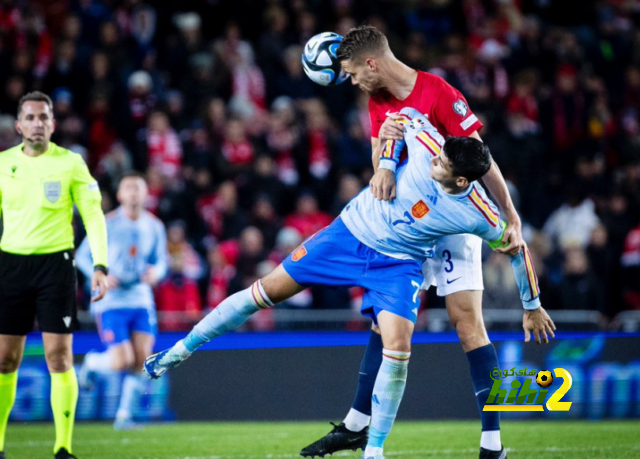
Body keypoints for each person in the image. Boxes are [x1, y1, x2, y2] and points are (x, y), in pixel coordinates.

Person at [143, 108, 555, 459]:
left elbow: (518, 249)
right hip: (349, 234)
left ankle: (374, 449)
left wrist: (531, 304)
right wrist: (389, 164)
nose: (432, 163)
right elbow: (401, 118)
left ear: (462, 182)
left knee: (399, 348)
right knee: (263, 292)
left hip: (399, 265)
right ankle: (179, 351)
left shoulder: (477, 215)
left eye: (442, 166)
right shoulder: (433, 143)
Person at [301, 25, 523, 459]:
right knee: (384, 320)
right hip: (408, 223)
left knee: (467, 323)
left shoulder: (438, 92)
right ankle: (356, 425)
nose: (352, 83)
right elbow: (377, 158)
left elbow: (481, 158)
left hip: (454, 221)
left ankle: (492, 444)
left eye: (351, 73)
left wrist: (510, 214)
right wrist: (382, 166)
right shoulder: (376, 99)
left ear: (371, 62)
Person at [0, 91, 108, 459]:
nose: (37, 123)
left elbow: (93, 215)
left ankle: (63, 447)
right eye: (29, 117)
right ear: (18, 125)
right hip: (10, 265)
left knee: (59, 358)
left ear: (53, 124)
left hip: (56, 267)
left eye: (43, 117)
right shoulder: (3, 164)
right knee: (4, 359)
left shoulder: (71, 163)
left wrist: (100, 265)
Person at [75, 171, 167, 430]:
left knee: (141, 359)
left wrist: (156, 272)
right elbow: (82, 256)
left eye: (139, 188)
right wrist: (101, 272)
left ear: (146, 194)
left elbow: (161, 260)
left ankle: (124, 416)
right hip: (111, 301)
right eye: (129, 188)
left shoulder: (154, 225)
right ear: (120, 194)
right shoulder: (108, 223)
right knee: (121, 361)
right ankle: (92, 363)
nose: (134, 193)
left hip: (140, 298)